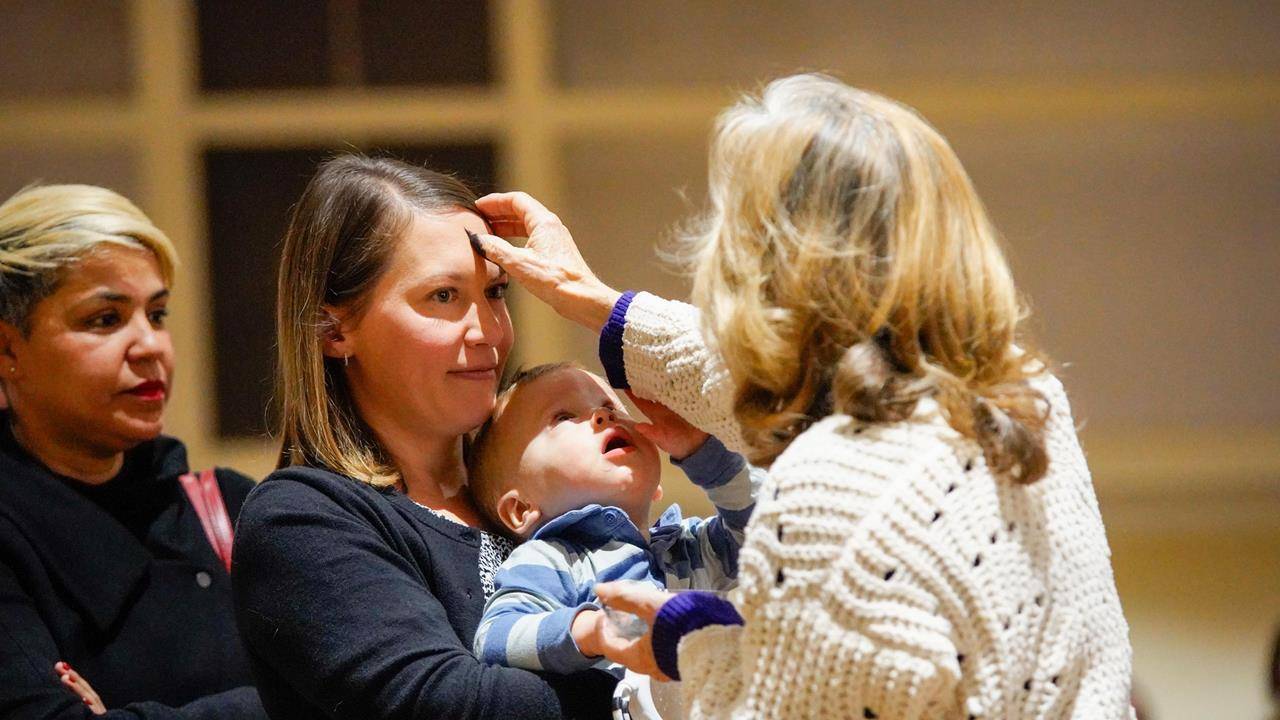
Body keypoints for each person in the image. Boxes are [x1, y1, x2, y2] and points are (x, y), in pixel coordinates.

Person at [470, 73, 1136, 719]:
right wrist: (599, 306)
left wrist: (691, 641)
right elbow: (806, 389)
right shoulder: (1024, 398)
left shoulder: (834, 488)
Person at [230, 155, 618, 719]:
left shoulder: (536, 488)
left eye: (495, 293)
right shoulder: (300, 518)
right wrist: (668, 687)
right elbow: (446, 706)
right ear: (335, 330)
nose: (487, 331)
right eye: (443, 297)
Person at [0, 184, 266, 718]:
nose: (150, 346)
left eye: (158, 314)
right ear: (8, 349)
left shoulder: (230, 507)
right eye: (105, 319)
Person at [467, 362, 761, 677]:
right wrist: (592, 629)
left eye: (610, 406)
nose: (603, 415)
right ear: (521, 509)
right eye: (564, 416)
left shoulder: (690, 545)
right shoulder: (553, 558)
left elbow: (770, 531)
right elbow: (495, 636)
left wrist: (704, 453)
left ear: (655, 488)